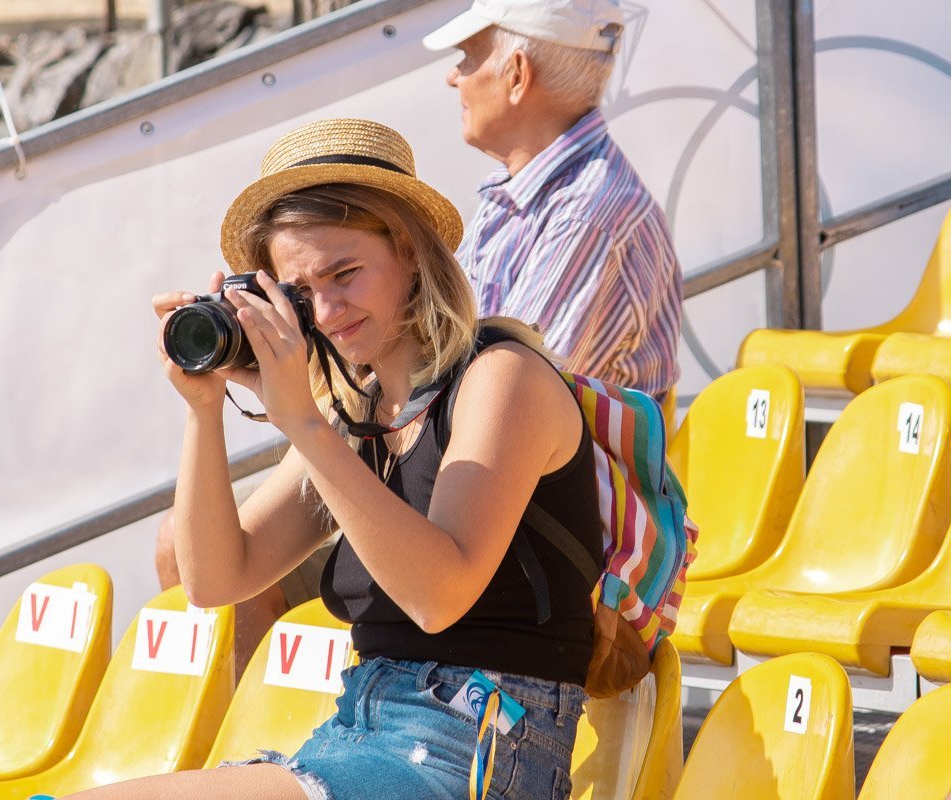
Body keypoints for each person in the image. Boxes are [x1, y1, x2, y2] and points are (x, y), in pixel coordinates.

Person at [69, 118, 602, 800]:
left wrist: (301, 421)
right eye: (299, 294)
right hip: (358, 732)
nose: (325, 310)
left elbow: (438, 597)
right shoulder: (359, 415)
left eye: (344, 274)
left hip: (478, 749)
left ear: (410, 251)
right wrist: (204, 409)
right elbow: (215, 580)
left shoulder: (503, 378)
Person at [423, 0, 683, 402]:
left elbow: (511, 396)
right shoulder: (535, 190)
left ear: (517, 75)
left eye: (469, 56)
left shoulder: (587, 215)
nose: (453, 76)